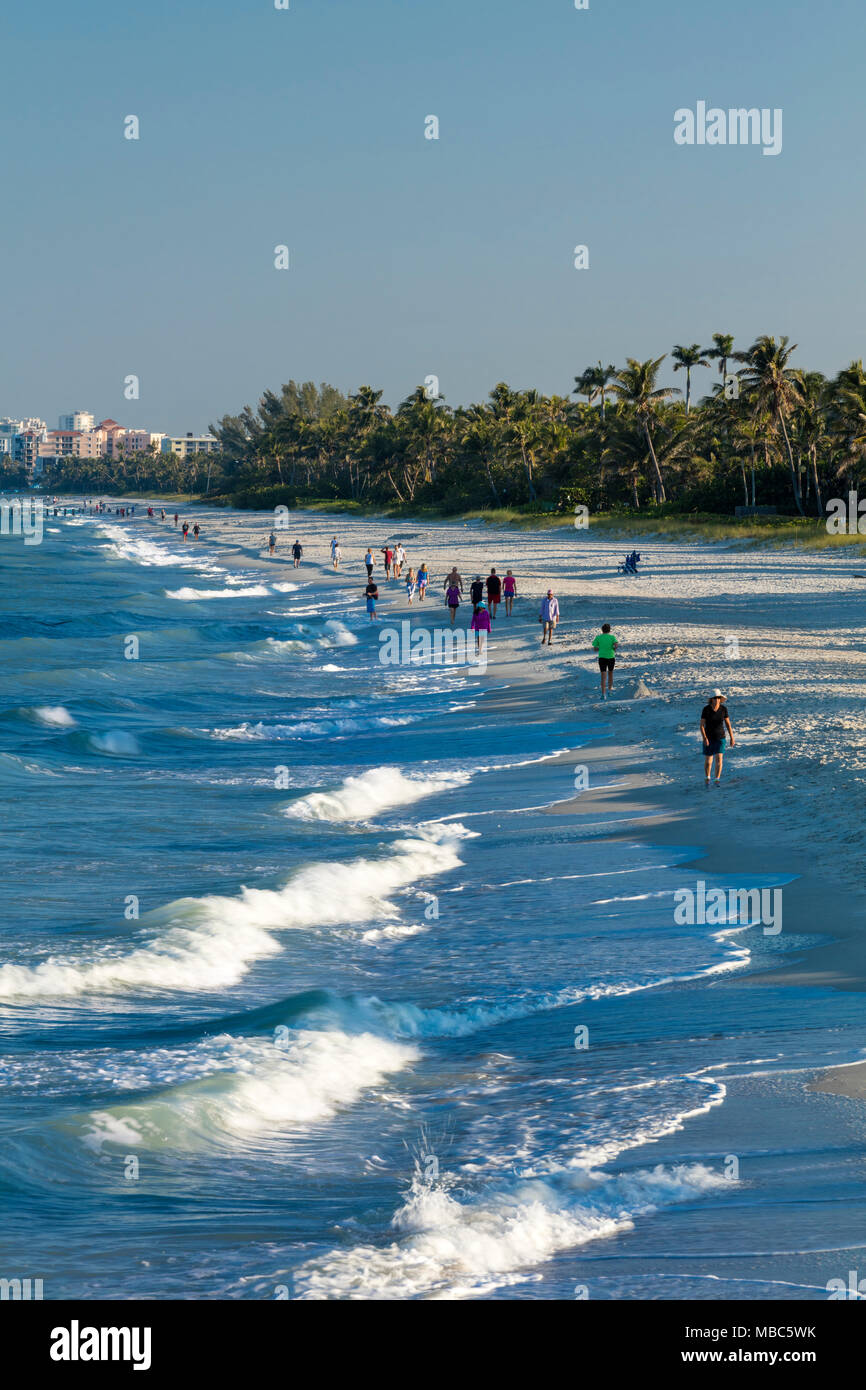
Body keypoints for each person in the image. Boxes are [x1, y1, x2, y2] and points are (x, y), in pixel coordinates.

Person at [700, 689, 735, 786]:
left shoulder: (724, 709)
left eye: (718, 698)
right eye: (715, 698)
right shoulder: (706, 709)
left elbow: (728, 724)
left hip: (720, 738)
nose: (717, 699)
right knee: (708, 761)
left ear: (720, 699)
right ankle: (707, 778)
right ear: (711, 699)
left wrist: (732, 737)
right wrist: (704, 738)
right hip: (709, 738)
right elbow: (702, 725)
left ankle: (717, 779)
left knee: (719, 759)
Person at [592, 623, 619, 699]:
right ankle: (610, 691)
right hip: (611, 657)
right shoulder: (612, 637)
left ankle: (603, 694)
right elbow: (616, 645)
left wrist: (600, 648)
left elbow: (595, 649)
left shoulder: (598, 637)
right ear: (609, 630)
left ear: (602, 630)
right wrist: (614, 648)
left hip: (602, 658)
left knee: (603, 676)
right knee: (610, 674)